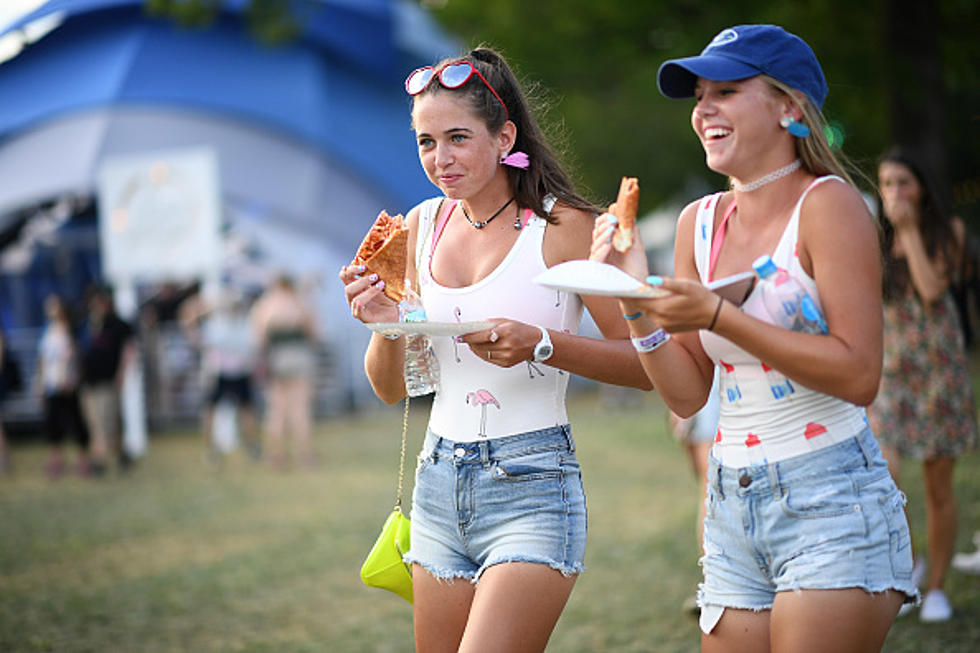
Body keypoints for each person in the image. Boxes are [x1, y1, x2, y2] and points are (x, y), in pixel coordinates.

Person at [591, 25, 918, 651]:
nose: (703, 109)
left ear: (789, 107)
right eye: (698, 97)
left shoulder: (830, 205)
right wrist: (633, 302)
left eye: (726, 91)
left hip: (830, 498)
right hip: (729, 502)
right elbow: (688, 396)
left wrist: (720, 317)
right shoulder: (699, 221)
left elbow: (859, 374)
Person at [339, 47, 651, 652]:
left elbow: (648, 367)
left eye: (458, 137)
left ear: (505, 134)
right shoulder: (420, 227)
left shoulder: (565, 229)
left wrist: (542, 345)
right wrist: (383, 323)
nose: (441, 159)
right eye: (426, 142)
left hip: (533, 481)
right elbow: (388, 387)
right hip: (437, 482)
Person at [866, 146, 978, 622]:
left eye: (903, 183)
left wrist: (908, 230)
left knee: (937, 485)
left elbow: (932, 289)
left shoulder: (945, 233)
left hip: (939, 372)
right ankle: (912, 564)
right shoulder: (873, 239)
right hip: (894, 372)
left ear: (922, 187)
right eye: (887, 184)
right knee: (887, 478)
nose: (894, 193)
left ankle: (936, 588)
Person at [183, 287, 262, 467]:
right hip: (221, 372)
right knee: (212, 411)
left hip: (237, 372)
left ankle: (251, 446)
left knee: (245, 410)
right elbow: (194, 333)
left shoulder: (238, 325)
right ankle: (211, 449)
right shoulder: (217, 325)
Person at [251, 274, 317, 470]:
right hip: (298, 357)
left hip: (276, 358)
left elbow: (259, 337)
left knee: (276, 410)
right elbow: (314, 332)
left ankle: (276, 455)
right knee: (300, 410)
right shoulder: (299, 302)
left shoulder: (265, 304)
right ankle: (303, 455)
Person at [669, 367, 719, 614]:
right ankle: (715, 582)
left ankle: (715, 584)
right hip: (709, 383)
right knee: (710, 489)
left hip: (713, 382)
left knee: (709, 490)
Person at [78, 286, 136, 475]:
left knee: (106, 421)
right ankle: (116, 455)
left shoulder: (116, 325)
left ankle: (98, 462)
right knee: (95, 422)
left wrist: (121, 374)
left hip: (107, 381)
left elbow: (128, 351)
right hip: (88, 381)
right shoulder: (86, 324)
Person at [36, 295, 91, 479]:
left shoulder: (71, 330)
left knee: (76, 423)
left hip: (68, 385)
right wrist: (41, 382)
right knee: (53, 425)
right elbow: (43, 359)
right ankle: (56, 461)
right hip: (52, 385)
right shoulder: (47, 331)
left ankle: (82, 461)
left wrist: (72, 379)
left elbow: (76, 357)